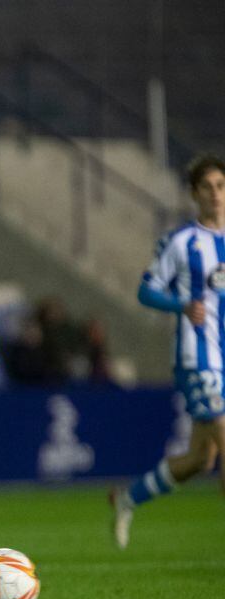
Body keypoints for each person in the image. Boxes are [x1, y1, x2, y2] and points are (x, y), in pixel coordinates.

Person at [109, 155, 225, 548]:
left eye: (221, 186)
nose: (216, 194)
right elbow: (146, 290)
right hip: (199, 358)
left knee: (200, 460)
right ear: (194, 193)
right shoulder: (180, 242)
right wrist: (180, 305)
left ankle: (127, 497)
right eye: (207, 187)